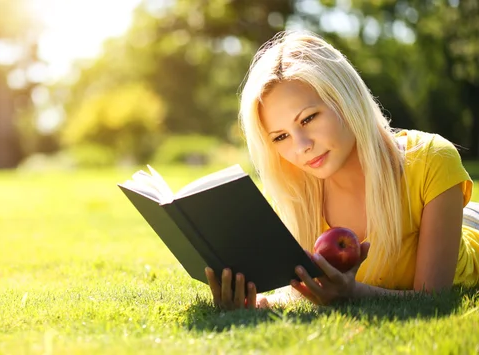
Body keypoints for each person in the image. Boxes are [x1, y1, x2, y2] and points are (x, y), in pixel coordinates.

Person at [204, 30, 479, 310]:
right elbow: (300, 293)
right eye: (280, 137)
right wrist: (256, 302)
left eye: (308, 118)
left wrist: (354, 295)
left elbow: (435, 301)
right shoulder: (295, 190)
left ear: (345, 98)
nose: (302, 146)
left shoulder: (432, 159)